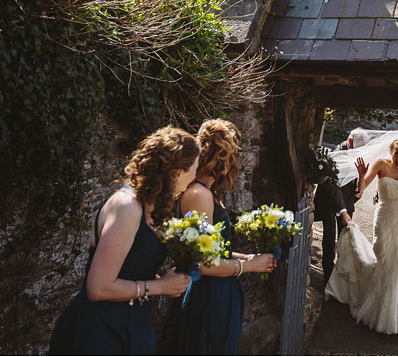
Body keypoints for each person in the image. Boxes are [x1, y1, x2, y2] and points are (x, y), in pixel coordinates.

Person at [50, 127, 200, 355]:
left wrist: (167, 280)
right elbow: (97, 287)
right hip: (99, 331)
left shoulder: (153, 206)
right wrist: (159, 287)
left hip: (133, 326)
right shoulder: (127, 207)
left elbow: (130, 268)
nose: (195, 177)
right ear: (176, 172)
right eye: (193, 170)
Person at [174, 119, 277, 356]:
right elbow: (202, 263)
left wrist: (249, 257)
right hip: (210, 296)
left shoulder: (208, 193)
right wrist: (248, 265)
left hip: (221, 291)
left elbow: (215, 252)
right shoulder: (199, 194)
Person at [326, 133, 398, 335]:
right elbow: (360, 191)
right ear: (391, 152)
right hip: (384, 217)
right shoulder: (380, 164)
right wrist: (362, 176)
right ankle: (377, 309)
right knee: (383, 260)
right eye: (397, 153)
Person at [313, 129, 368, 283]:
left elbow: (359, 190)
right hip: (330, 203)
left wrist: (362, 176)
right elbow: (334, 186)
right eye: (357, 148)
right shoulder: (337, 153)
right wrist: (342, 211)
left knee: (345, 242)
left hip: (347, 202)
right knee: (329, 242)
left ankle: (342, 279)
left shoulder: (358, 152)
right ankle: (328, 281)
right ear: (350, 142)